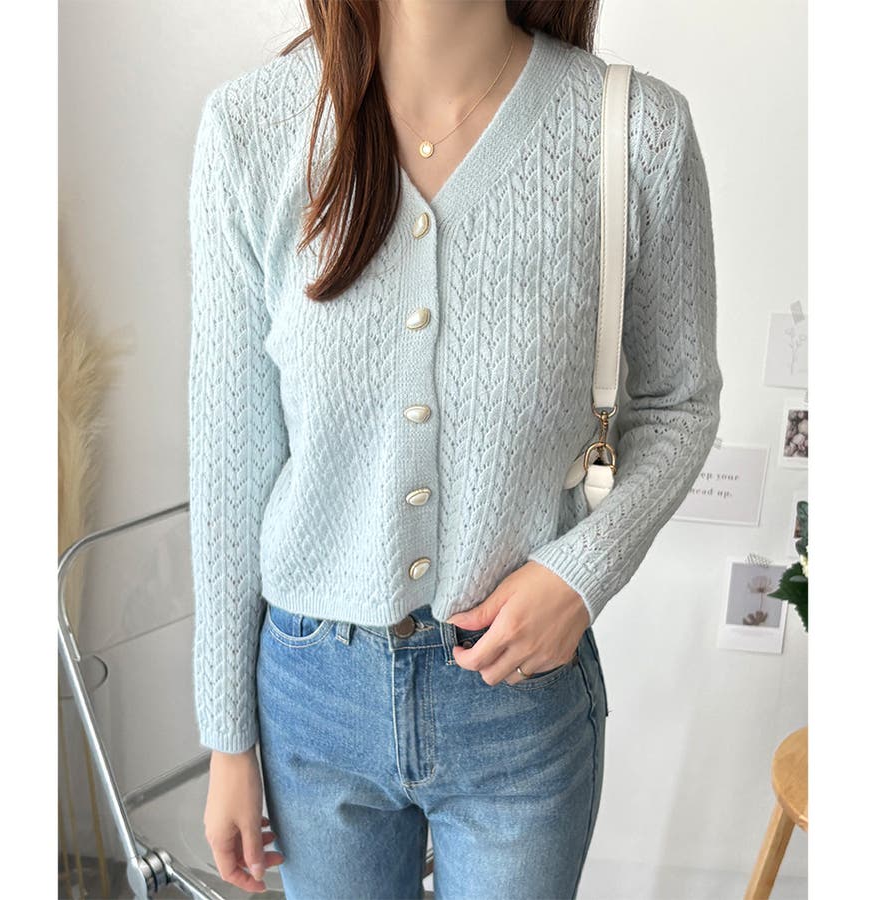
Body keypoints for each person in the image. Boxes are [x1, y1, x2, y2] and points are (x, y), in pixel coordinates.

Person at [187, 1, 723, 897]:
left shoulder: (637, 133)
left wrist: (582, 572)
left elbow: (680, 402)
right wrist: (226, 740)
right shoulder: (251, 131)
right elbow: (228, 462)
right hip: (312, 702)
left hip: (519, 698)